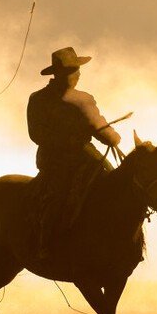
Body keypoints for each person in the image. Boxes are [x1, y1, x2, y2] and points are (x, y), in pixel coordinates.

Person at [26, 46, 121, 262]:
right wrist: (66, 140)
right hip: (54, 158)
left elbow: (99, 126)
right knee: (57, 194)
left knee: (114, 181)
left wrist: (111, 137)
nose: (77, 75)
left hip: (85, 154)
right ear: (59, 74)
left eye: (77, 71)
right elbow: (37, 133)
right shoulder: (39, 99)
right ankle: (45, 243)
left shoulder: (85, 99)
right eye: (72, 71)